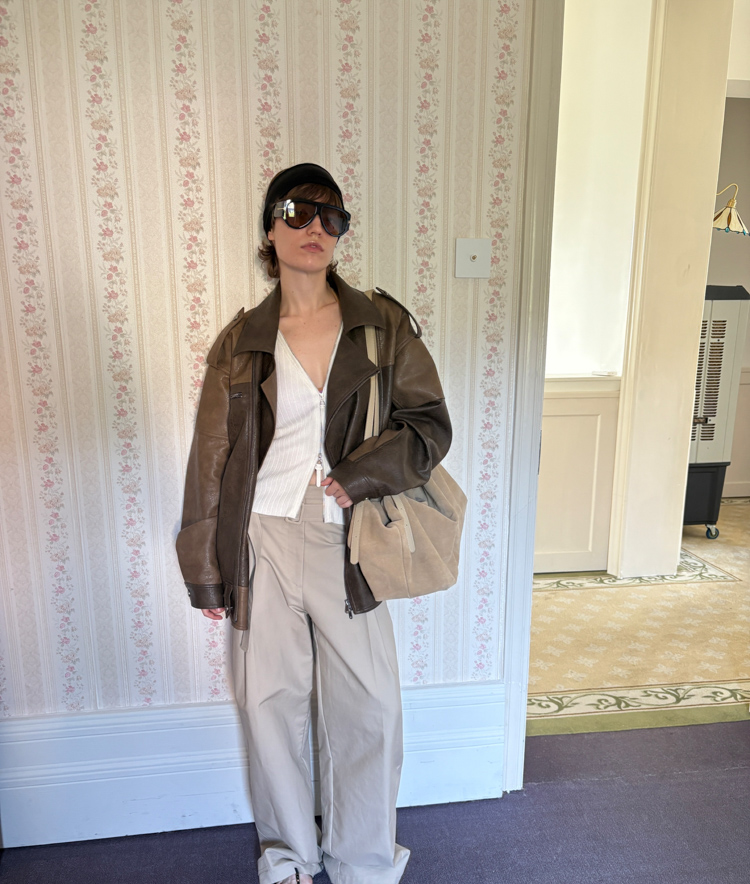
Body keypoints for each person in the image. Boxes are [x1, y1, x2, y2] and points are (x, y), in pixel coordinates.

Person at [176, 163, 451, 884]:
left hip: (349, 537)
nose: (316, 229)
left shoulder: (381, 326)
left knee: (370, 706)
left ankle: (362, 862)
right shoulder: (241, 340)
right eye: (298, 212)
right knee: (269, 704)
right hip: (262, 536)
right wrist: (206, 568)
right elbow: (211, 456)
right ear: (270, 228)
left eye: (332, 217)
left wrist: (361, 474)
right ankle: (290, 860)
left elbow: (428, 425)